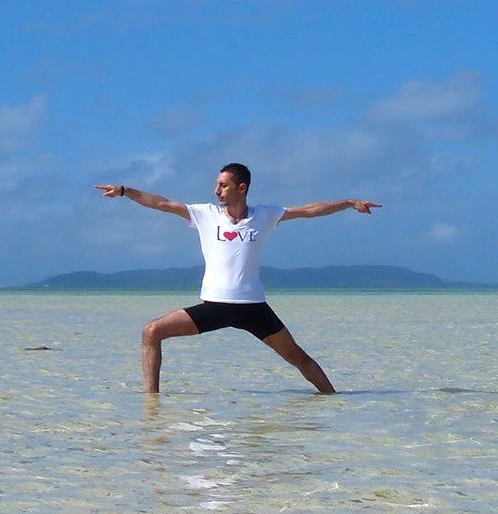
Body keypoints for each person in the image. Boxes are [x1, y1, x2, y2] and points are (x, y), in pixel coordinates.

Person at [95, 163, 379, 395]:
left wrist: (349, 202)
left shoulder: (264, 215)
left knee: (297, 357)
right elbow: (162, 203)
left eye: (223, 185)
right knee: (152, 331)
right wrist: (124, 191)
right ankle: (151, 403)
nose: (216, 190)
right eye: (217, 184)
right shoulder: (205, 214)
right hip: (215, 307)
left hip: (253, 308)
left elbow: (309, 210)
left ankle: (334, 399)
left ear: (241, 188)